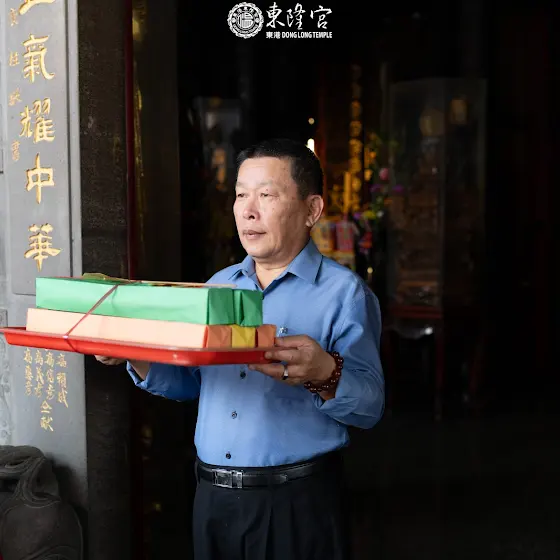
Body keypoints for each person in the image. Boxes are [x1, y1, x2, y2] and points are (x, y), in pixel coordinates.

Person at [96, 138, 385, 560]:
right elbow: (193, 381)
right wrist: (132, 353)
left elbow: (371, 407)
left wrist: (326, 372)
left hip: (294, 501)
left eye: (266, 195)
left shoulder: (344, 294)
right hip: (212, 497)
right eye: (240, 195)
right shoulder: (219, 285)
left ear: (312, 210)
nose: (248, 210)